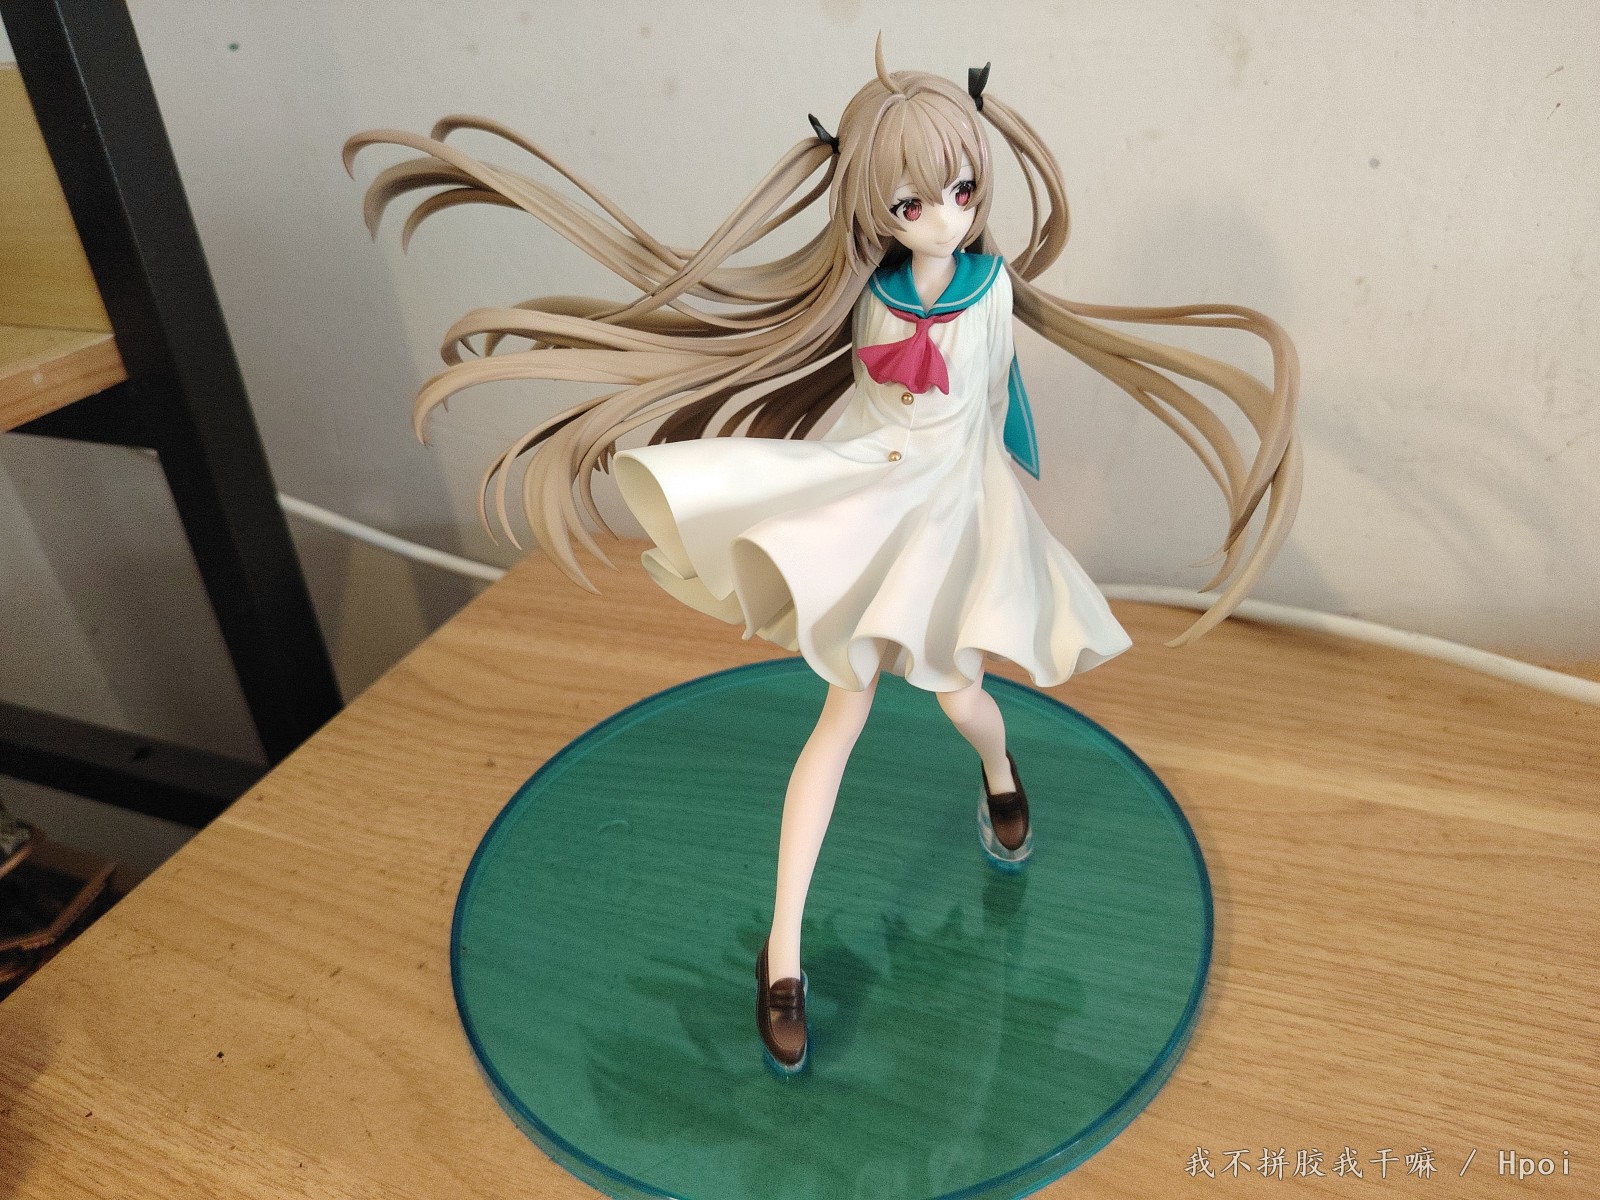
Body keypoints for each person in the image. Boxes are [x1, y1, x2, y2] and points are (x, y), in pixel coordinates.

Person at [345, 39, 1300, 1075]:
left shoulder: (991, 291)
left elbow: (994, 398)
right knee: (838, 718)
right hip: (871, 495)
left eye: (961, 192)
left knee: (963, 698)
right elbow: (865, 394)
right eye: (911, 203)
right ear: (875, 209)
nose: (943, 217)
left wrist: (997, 498)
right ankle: (785, 955)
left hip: (952, 510)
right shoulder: (870, 297)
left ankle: (998, 774)